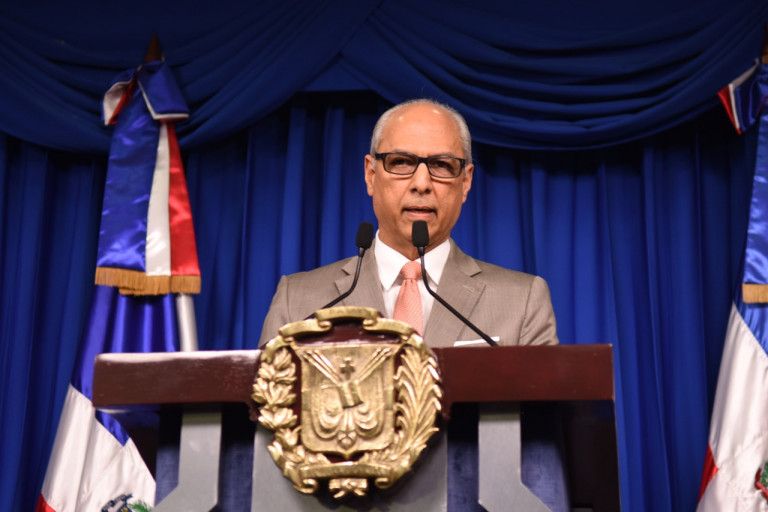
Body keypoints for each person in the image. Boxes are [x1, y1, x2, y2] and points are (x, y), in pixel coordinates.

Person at [259, 99, 558, 348]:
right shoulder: (298, 301)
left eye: (441, 165)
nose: (421, 183)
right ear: (370, 175)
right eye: (401, 162)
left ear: (466, 181)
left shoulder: (522, 302)